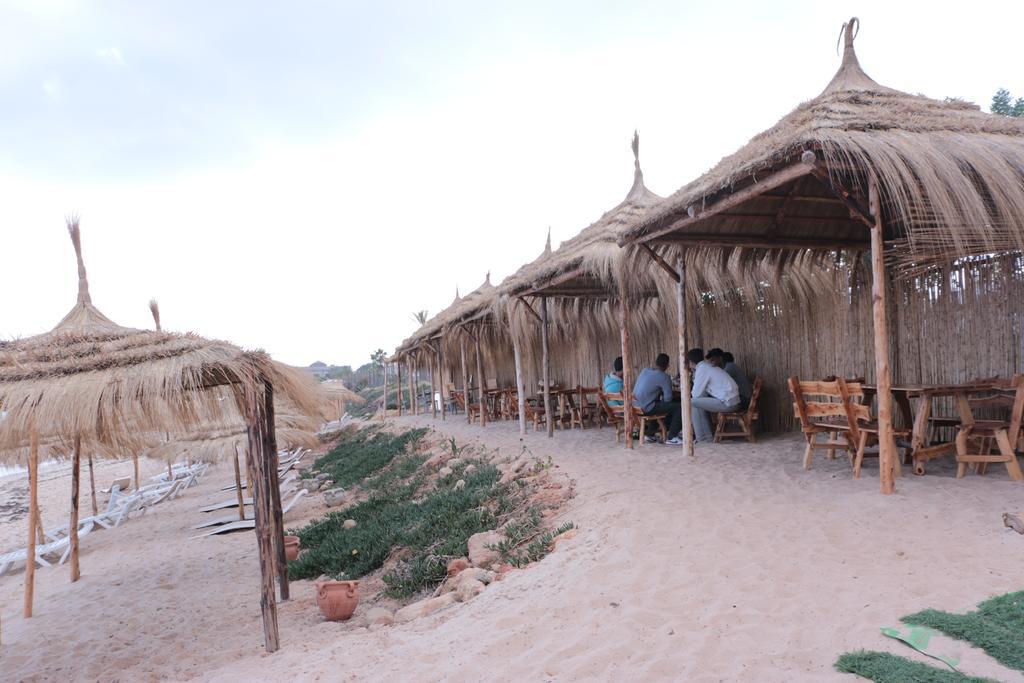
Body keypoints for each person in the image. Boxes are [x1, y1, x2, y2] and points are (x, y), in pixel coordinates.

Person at [687, 348, 740, 443]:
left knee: (690, 402)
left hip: (728, 403)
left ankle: (702, 438)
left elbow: (695, 394)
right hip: (733, 401)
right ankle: (707, 438)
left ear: (691, 362)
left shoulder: (702, 369)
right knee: (697, 402)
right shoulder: (706, 366)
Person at [632, 353, 683, 444]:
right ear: (667, 365)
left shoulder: (645, 370)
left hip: (635, 406)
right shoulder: (665, 377)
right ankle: (672, 437)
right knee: (680, 407)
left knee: (656, 403)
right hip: (645, 408)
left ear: (656, 363)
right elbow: (668, 399)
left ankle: (650, 435)